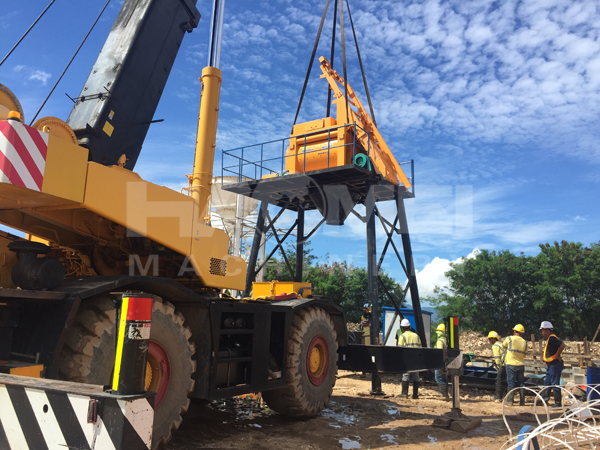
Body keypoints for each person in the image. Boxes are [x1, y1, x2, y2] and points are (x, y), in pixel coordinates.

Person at [539, 321, 565, 407]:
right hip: (550, 365)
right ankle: (544, 400)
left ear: (547, 330)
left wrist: (557, 355)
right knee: (547, 382)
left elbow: (562, 345)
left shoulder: (552, 338)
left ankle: (557, 403)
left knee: (554, 383)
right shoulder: (550, 338)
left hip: (555, 364)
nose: (541, 332)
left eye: (542, 330)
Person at [503, 324, 528, 406]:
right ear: (522, 333)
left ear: (514, 331)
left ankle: (510, 401)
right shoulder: (525, 342)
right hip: (521, 365)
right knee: (521, 383)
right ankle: (522, 401)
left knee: (511, 382)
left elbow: (503, 346)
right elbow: (525, 354)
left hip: (511, 364)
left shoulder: (509, 338)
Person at [397, 318, 421, 399]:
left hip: (407, 359)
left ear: (402, 328)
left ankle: (404, 393)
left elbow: (399, 350)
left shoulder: (402, 336)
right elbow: (420, 348)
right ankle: (415, 395)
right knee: (416, 376)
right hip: (416, 359)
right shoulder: (416, 336)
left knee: (405, 376)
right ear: (409, 327)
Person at [488, 331, 507, 402]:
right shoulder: (500, 344)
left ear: (494, 339)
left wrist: (498, 367)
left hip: (503, 364)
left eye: (489, 339)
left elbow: (497, 357)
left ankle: (498, 397)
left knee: (499, 380)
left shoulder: (495, 346)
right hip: (507, 363)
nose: (489, 340)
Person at [434, 323, 449, 400]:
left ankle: (444, 395)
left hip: (440, 362)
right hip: (445, 362)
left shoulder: (440, 341)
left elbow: (439, 353)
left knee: (438, 377)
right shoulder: (446, 341)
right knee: (444, 377)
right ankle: (446, 394)